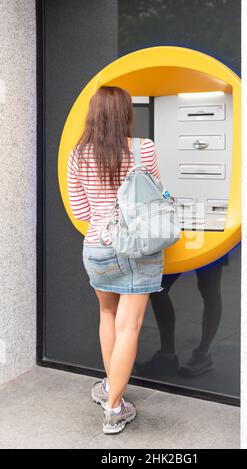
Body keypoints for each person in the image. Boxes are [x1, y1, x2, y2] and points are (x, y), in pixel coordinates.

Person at [67, 86, 164, 434]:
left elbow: (79, 210)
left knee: (107, 314)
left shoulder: (78, 154)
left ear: (93, 114)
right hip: (139, 247)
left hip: (98, 246)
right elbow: (153, 197)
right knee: (130, 326)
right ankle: (113, 410)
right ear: (126, 113)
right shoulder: (145, 149)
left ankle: (111, 389)